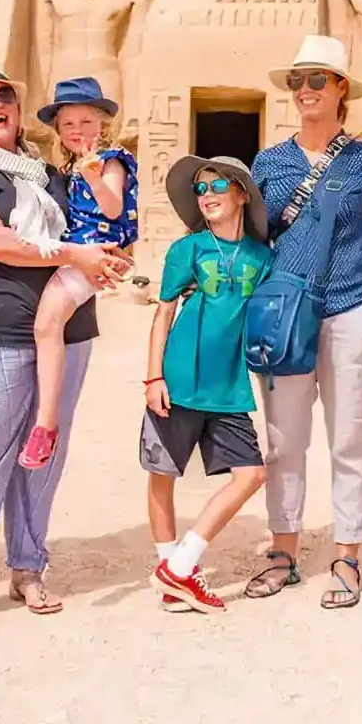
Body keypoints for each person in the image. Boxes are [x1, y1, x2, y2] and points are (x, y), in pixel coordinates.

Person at [0, 67, 130, 637]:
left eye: (5, 94)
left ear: (18, 109)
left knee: (44, 453)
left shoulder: (51, 173)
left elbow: (97, 228)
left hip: (66, 330)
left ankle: (28, 566)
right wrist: (75, 254)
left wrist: (108, 254)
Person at [244, 34, 362, 609]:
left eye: (315, 80)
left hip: (351, 307)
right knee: (283, 440)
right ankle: (283, 550)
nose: (304, 90)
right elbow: (253, 239)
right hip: (287, 315)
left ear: (340, 89)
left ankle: (346, 556)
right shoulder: (269, 162)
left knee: (351, 437)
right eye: (296, 81)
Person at [142, 155, 271, 613]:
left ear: (241, 194)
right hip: (178, 377)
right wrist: (154, 376)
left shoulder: (263, 256)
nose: (207, 195)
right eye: (200, 189)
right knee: (163, 474)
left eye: (217, 186)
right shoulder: (188, 249)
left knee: (252, 474)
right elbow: (164, 312)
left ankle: (179, 567)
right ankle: (171, 575)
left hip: (230, 384)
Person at [18, 77, 139, 469]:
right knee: (46, 325)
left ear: (102, 124)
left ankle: (45, 425)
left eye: (86, 121)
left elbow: (112, 208)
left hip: (93, 255)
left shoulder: (111, 161)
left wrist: (92, 175)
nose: (77, 130)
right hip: (77, 254)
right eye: (68, 123)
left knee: (47, 324)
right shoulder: (69, 167)